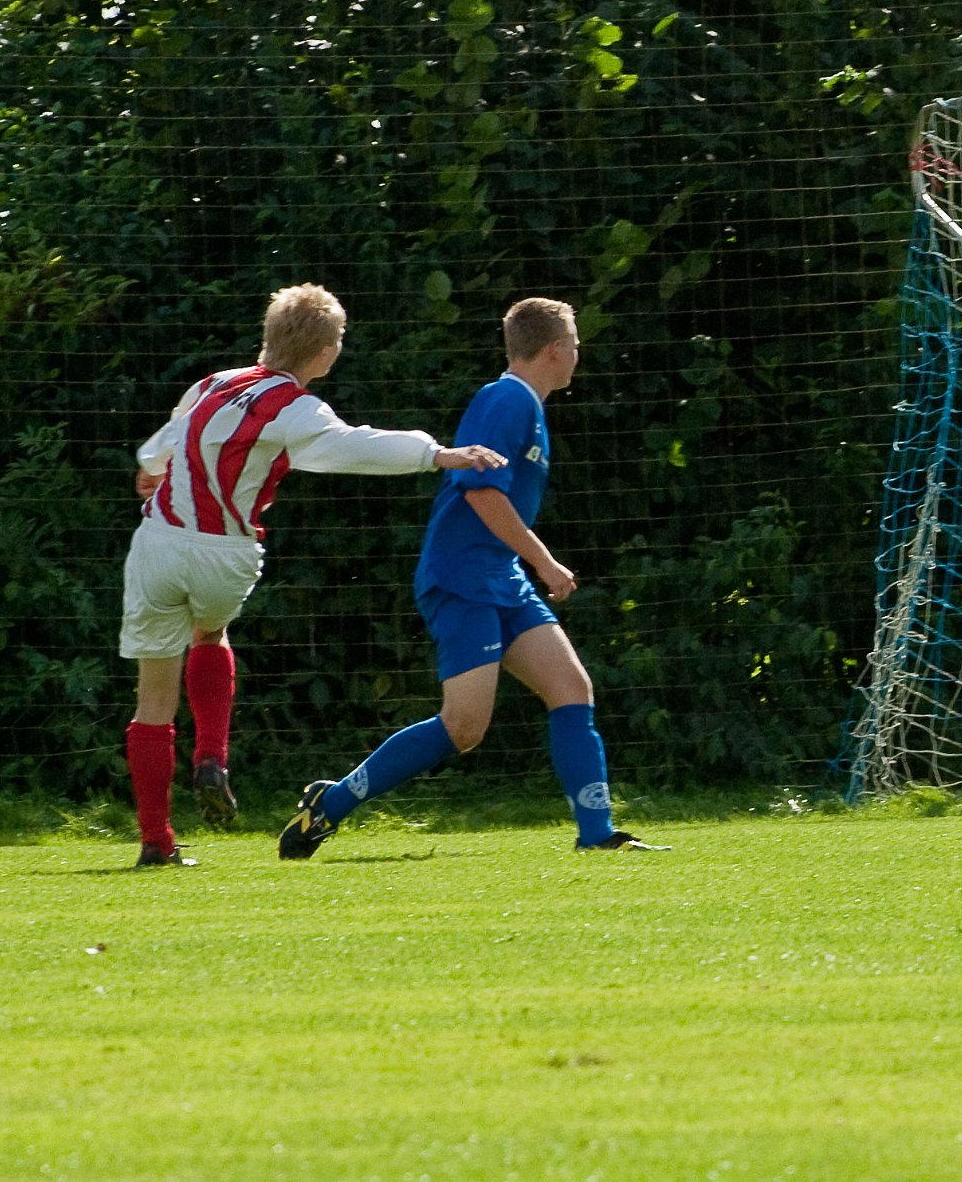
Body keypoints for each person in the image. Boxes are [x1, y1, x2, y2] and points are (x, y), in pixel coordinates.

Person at [122, 283, 506, 867]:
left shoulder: (213, 384)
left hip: (158, 545)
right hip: (224, 555)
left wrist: (151, 469)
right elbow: (354, 446)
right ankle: (211, 756)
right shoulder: (296, 408)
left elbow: (164, 445)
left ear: (269, 335)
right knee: (210, 632)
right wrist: (437, 453)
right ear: (325, 353)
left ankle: (157, 841)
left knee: (153, 699)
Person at [278, 297, 668, 859]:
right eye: (576, 345)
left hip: (499, 577)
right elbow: (481, 493)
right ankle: (331, 803)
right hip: (462, 577)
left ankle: (597, 835)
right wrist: (544, 561)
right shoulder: (506, 399)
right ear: (555, 348)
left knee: (570, 687)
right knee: (464, 726)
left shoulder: (526, 405)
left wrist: (525, 564)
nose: (578, 356)